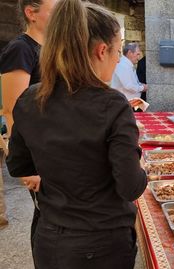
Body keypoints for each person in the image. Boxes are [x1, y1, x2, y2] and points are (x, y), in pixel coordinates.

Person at [6, 1, 147, 268]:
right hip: (102, 243)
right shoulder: (113, 105)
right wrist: (139, 162)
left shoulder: (30, 98)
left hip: (48, 237)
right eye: (118, 51)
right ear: (101, 50)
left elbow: (18, 165)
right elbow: (131, 187)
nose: (118, 59)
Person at [0, 0, 56, 234]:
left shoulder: (50, 47)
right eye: (54, 12)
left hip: (53, 144)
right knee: (46, 216)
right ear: (31, 13)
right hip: (36, 149)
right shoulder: (20, 48)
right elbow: (13, 109)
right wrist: (25, 165)